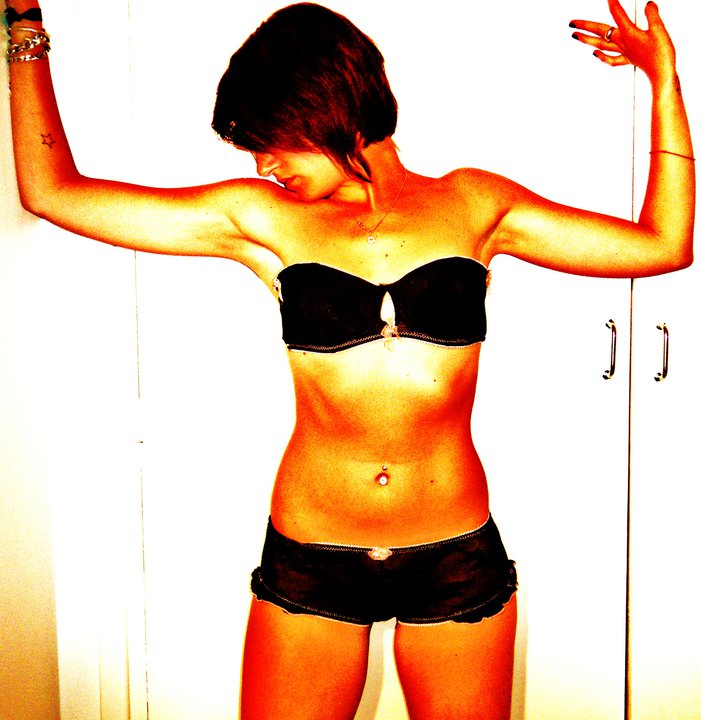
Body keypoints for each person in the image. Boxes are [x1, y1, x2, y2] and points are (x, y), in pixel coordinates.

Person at [5, 0, 694, 718]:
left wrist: (664, 81)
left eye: (272, 142)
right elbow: (53, 192)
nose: (264, 164)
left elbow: (662, 244)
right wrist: (26, 28)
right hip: (313, 559)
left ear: (327, 108)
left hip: (453, 554)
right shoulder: (261, 218)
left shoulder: (473, 203)